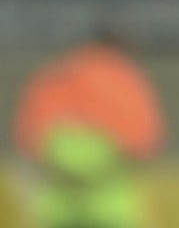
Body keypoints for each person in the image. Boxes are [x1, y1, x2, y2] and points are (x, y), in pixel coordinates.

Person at [11, 20, 165, 228]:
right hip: (111, 207)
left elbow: (28, 136)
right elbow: (144, 141)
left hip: (58, 204)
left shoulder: (56, 75)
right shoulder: (126, 79)